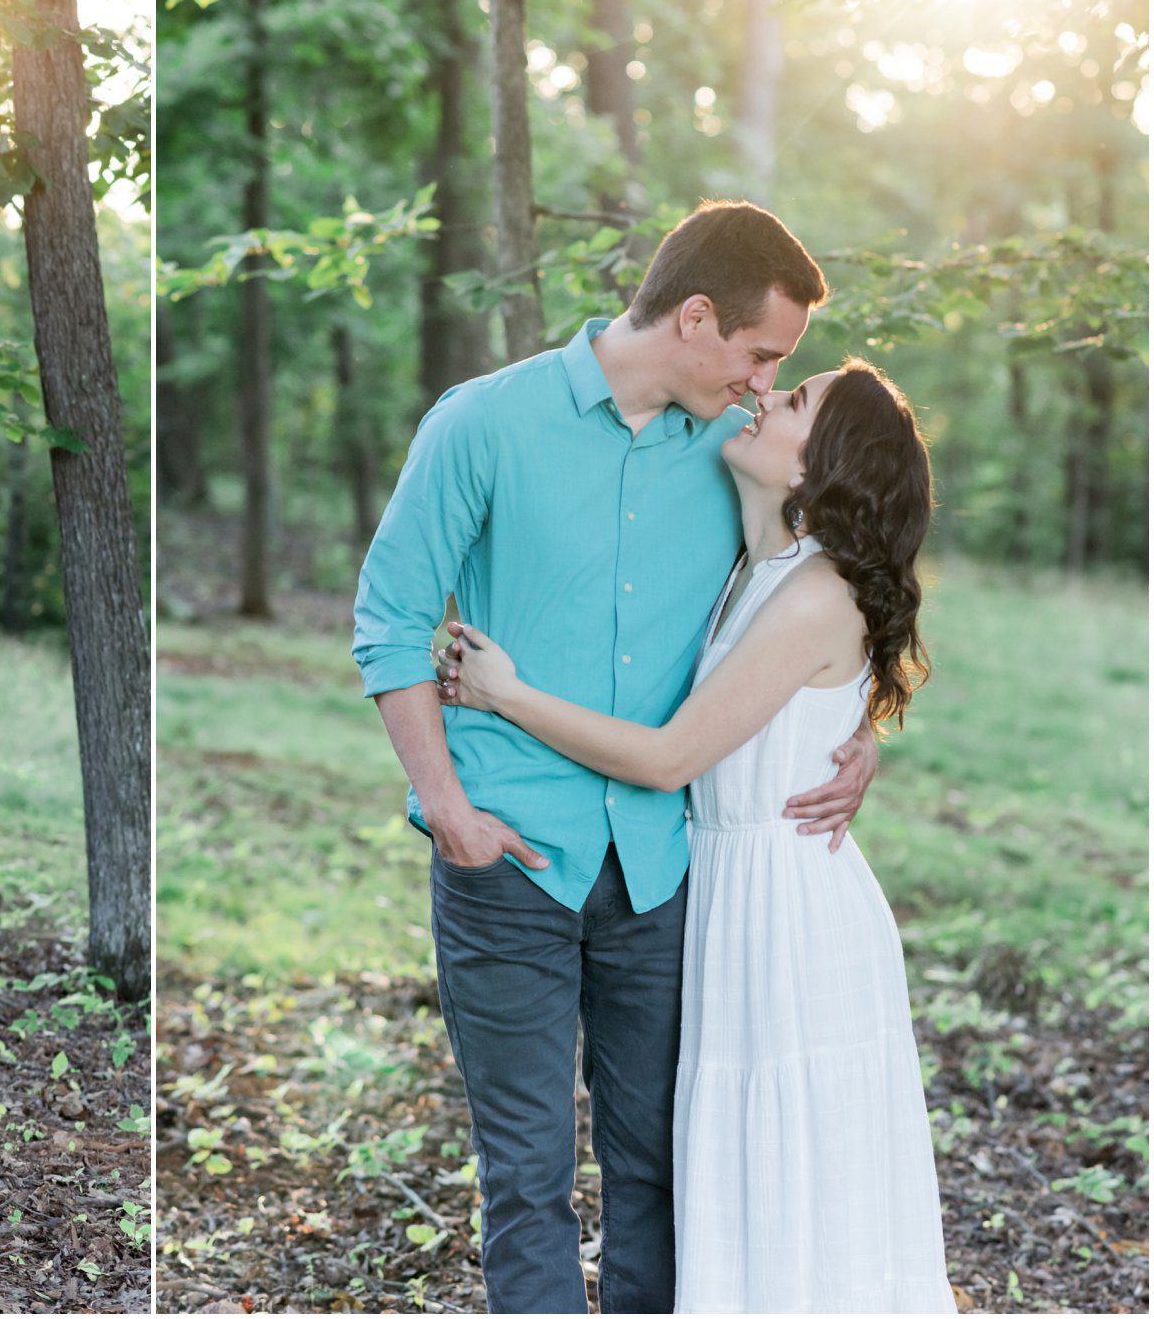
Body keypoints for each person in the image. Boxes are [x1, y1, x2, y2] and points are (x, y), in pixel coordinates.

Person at [350, 200, 877, 1313]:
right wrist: (444, 805)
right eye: (757, 353)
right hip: (508, 854)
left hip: (661, 864)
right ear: (694, 316)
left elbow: (828, 587)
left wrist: (858, 730)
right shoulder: (483, 422)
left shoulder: (734, 458)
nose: (760, 380)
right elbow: (390, 619)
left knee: (656, 1169)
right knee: (526, 1177)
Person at [439, 359, 954, 1313]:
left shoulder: (813, 595)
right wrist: (856, 737)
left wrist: (504, 693)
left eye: (794, 402)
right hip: (719, 890)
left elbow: (672, 755)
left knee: (793, 1170)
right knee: (728, 1164)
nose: (764, 394)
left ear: (816, 469)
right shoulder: (750, 567)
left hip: (790, 917)